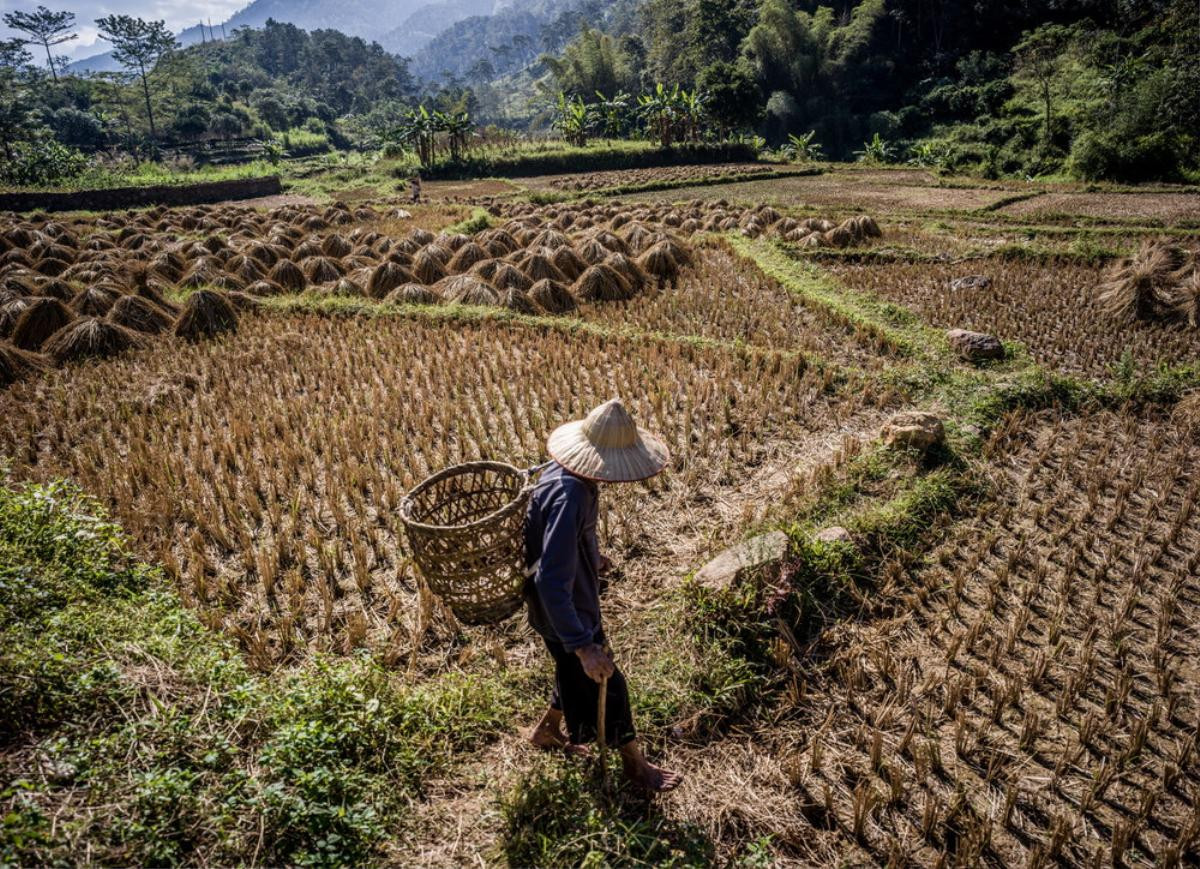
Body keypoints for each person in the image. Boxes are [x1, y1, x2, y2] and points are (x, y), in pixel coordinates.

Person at [524, 398, 683, 792]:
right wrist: (582, 644)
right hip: (564, 609)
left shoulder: (562, 474)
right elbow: (550, 578)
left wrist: (590, 556)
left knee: (571, 671)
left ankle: (546, 730)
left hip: (557, 604)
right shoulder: (572, 494)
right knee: (604, 680)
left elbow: (555, 540)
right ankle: (636, 768)